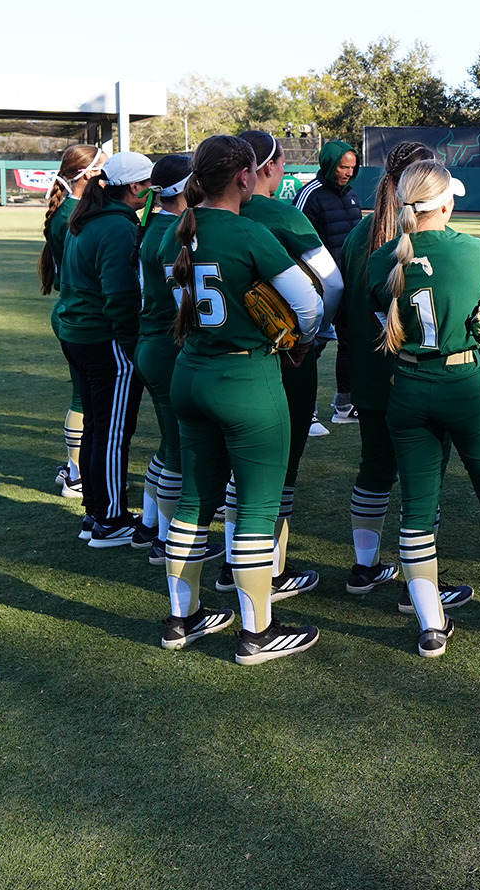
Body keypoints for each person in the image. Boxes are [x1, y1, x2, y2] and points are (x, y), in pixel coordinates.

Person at [158, 135, 324, 662]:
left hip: (190, 374)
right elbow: (308, 306)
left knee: (192, 501)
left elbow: (183, 304)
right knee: (256, 504)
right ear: (243, 178)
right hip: (245, 378)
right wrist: (293, 340)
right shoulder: (251, 232)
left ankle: (181, 619)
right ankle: (257, 632)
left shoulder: (175, 234)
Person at [368, 161, 480, 657]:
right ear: (445, 204)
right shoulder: (474, 249)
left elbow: (379, 312)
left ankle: (430, 626)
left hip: (406, 383)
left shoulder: (383, 256)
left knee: (417, 509)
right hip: (464, 383)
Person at [212, 131, 343, 600]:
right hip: (275, 356)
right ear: (264, 167)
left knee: (224, 470)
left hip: (203, 358)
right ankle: (267, 571)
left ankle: (228, 563)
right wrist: (308, 337)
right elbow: (333, 286)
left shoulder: (192, 218)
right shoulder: (281, 215)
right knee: (276, 470)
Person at [334, 140, 435, 601]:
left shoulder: (359, 235)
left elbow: (337, 308)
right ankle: (422, 585)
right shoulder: (426, 241)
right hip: (416, 375)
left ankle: (365, 567)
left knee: (375, 467)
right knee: (420, 479)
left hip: (370, 373)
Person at [53, 151, 153, 548]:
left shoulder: (88, 218)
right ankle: (110, 520)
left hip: (80, 334)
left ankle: (96, 513)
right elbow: (120, 298)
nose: (152, 193)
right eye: (148, 185)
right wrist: (133, 349)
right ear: (133, 188)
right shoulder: (115, 227)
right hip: (104, 338)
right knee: (112, 433)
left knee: (97, 427)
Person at [39, 143, 104, 507]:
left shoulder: (69, 210)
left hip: (69, 309)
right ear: (88, 173)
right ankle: (78, 475)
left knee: (83, 395)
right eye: (103, 168)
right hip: (78, 311)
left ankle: (74, 468)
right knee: (85, 398)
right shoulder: (73, 215)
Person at [135, 154, 193, 561]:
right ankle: (165, 540)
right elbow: (184, 304)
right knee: (177, 448)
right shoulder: (172, 231)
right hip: (166, 347)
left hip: (151, 343)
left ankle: (150, 524)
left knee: (166, 444)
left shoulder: (154, 224)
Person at [297, 140, 363, 423]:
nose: (348, 172)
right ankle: (304, 411)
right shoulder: (310, 194)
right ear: (328, 163)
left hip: (348, 285)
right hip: (319, 286)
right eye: (343, 166)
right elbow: (295, 239)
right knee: (310, 347)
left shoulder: (352, 196)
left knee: (350, 344)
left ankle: (344, 406)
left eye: (352, 167)